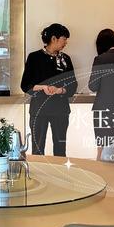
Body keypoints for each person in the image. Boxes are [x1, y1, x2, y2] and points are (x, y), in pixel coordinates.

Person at [20, 23, 76, 156]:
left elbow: (73, 86)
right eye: (64, 39)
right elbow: (25, 85)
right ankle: (38, 170)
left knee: (60, 150)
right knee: (37, 149)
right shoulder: (34, 57)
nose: (66, 42)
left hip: (60, 110)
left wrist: (60, 90)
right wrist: (43, 88)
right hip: (39, 110)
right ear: (54, 39)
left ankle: (59, 170)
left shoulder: (65, 59)